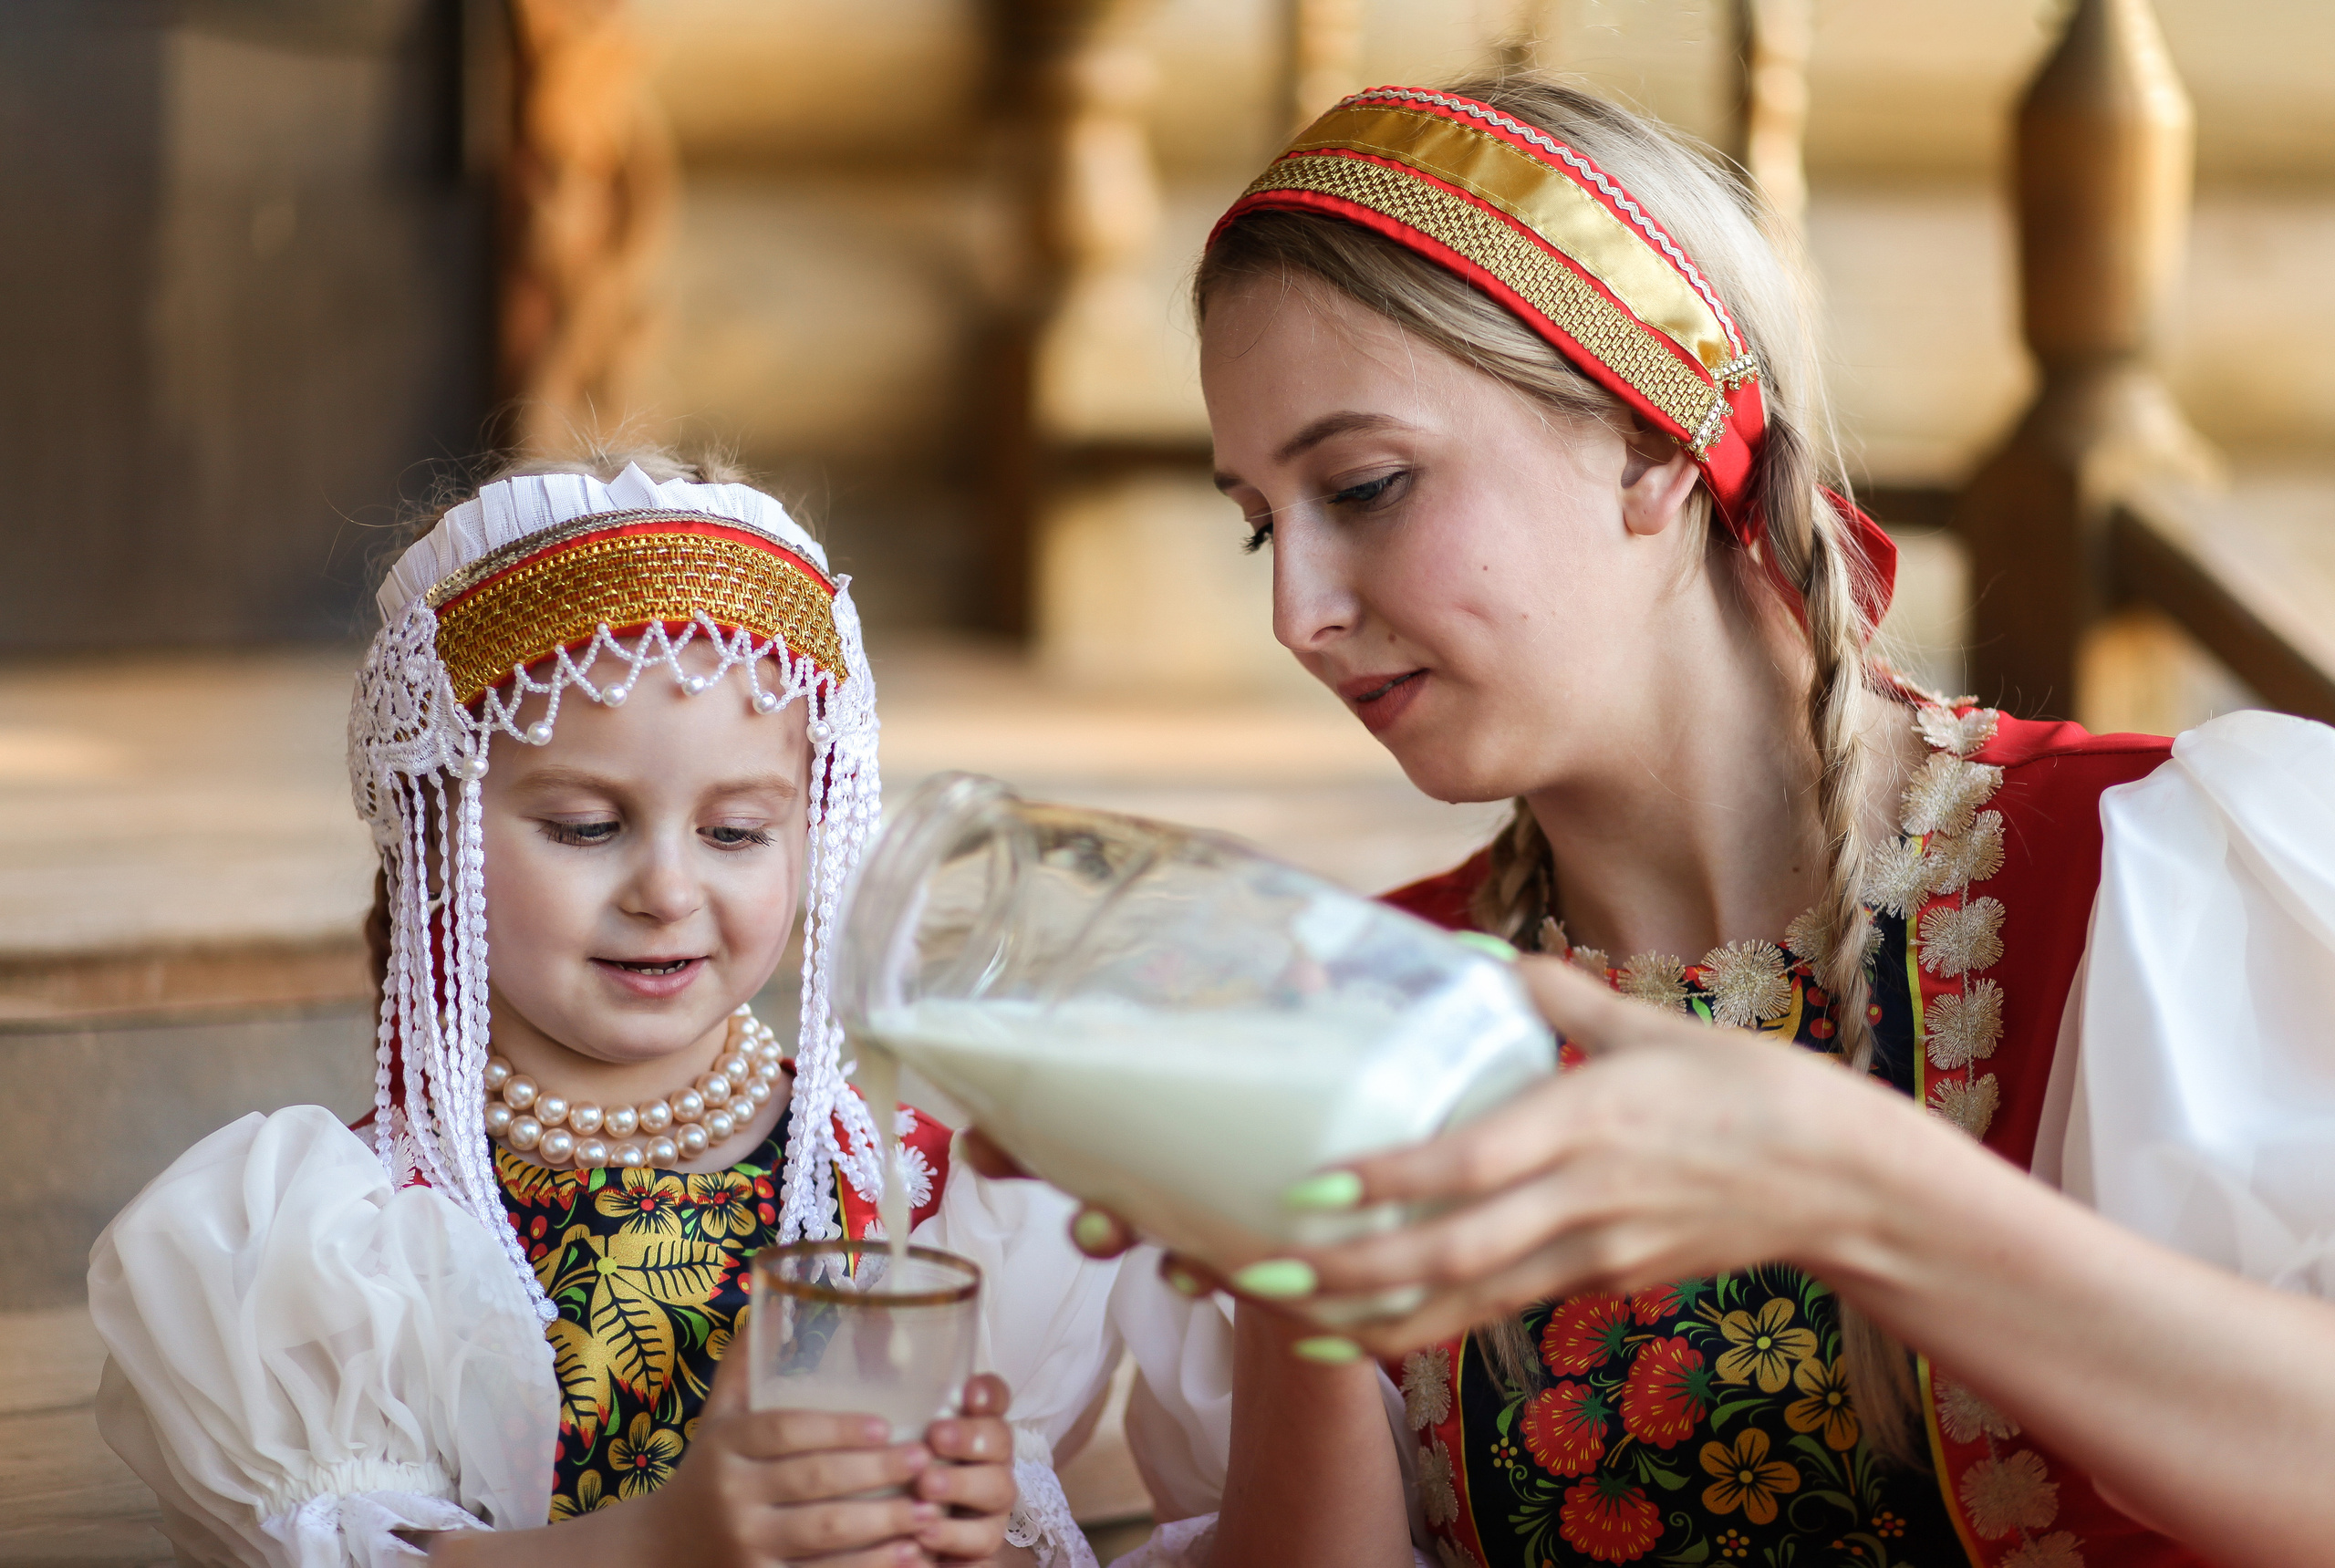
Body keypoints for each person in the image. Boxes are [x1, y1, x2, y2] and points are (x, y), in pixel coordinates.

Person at [1064, 78, 2335, 1568]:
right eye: (1264, 522)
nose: (1298, 610)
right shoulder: (1371, 1008)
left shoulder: (2159, 883)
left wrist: (1853, 1179)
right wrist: (1295, 1274)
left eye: (1366, 485)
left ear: (1652, 439)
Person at [87, 452, 1121, 1567]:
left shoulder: (907, 1195)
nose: (669, 891)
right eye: (586, 825)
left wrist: (975, 1541)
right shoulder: (346, 1247)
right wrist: (667, 1541)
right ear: (435, 832)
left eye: (735, 833)